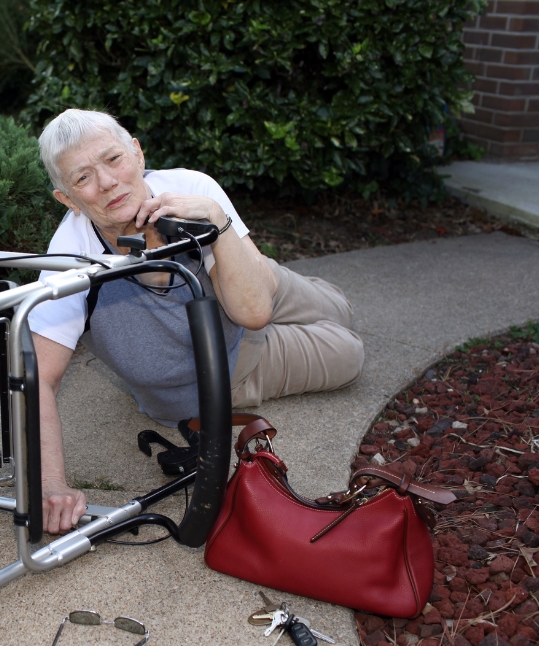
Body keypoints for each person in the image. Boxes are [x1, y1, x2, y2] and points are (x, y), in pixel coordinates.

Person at [27, 109, 364, 534]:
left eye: (113, 160)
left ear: (137, 151)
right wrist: (51, 484)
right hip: (228, 365)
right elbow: (38, 377)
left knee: (338, 307)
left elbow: (254, 306)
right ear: (69, 200)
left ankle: (287, 286)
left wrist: (215, 220)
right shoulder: (70, 259)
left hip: (243, 285)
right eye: (83, 178)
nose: (108, 182)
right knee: (349, 351)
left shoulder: (192, 188)